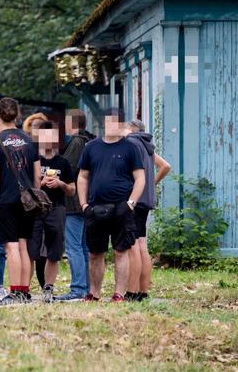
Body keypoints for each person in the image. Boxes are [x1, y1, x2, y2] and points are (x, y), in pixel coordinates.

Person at [77, 108, 145, 302]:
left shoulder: (131, 147)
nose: (111, 125)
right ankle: (94, 293)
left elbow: (140, 178)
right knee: (95, 253)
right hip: (95, 208)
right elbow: (82, 177)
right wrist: (83, 205)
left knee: (121, 251)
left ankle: (119, 294)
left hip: (121, 208)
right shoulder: (91, 147)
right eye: (108, 121)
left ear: (122, 124)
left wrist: (131, 203)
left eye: (116, 122)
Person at [0, 98, 40, 306]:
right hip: (28, 201)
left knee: (11, 247)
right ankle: (25, 290)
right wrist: (35, 195)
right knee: (24, 246)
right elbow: (37, 177)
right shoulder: (29, 142)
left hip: (6, 201)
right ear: (18, 116)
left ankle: (15, 291)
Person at [27, 121, 75, 303]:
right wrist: (39, 184)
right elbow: (24, 187)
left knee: (54, 251)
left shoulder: (62, 162)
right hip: (34, 210)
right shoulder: (33, 160)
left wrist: (60, 184)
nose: (48, 140)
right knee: (31, 251)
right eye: (44, 136)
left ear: (56, 138)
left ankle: (48, 288)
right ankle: (25, 289)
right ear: (39, 137)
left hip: (56, 208)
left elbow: (72, 189)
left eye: (51, 136)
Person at [125, 119, 171, 301]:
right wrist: (152, 184)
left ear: (131, 130)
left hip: (134, 200)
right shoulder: (146, 145)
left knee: (132, 245)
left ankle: (133, 291)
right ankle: (143, 291)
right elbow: (166, 166)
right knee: (142, 245)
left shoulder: (130, 143)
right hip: (146, 201)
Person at [56, 109, 95, 301]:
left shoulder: (77, 142)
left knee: (73, 247)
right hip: (87, 200)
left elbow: (68, 168)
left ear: (71, 122)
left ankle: (78, 288)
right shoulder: (89, 140)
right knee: (84, 246)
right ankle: (86, 287)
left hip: (74, 203)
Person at [22, 112, 49, 288]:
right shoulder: (25, 148)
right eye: (34, 127)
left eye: (41, 127)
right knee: (31, 246)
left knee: (47, 247)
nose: (37, 130)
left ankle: (45, 283)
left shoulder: (52, 149)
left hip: (50, 204)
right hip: (31, 203)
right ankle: (25, 285)